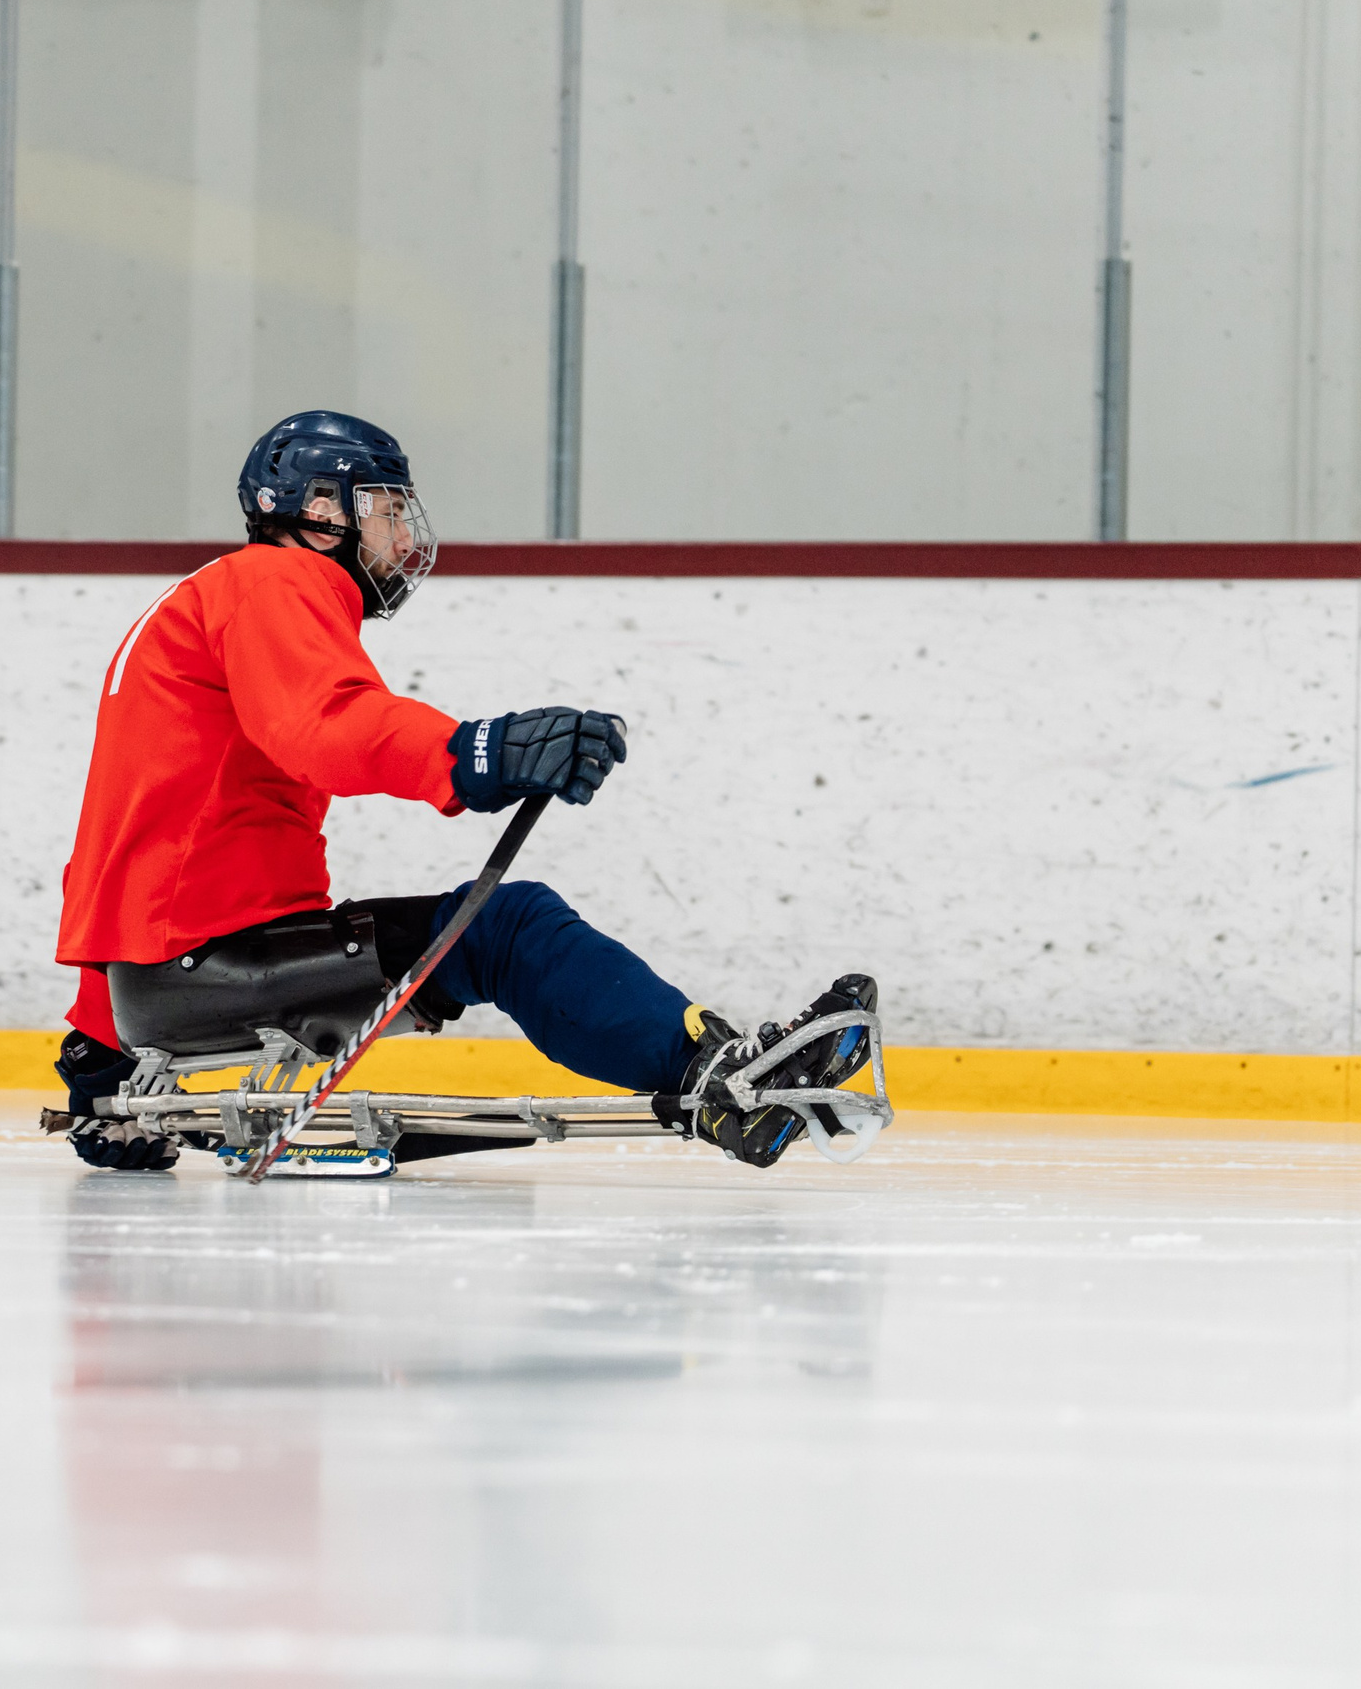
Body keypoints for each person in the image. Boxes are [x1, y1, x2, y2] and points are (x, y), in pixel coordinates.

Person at [52, 410, 873, 1171]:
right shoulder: (272, 582)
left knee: (490, 933)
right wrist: (476, 753)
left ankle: (711, 1070)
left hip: (173, 972)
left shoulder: (210, 600)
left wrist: (102, 1042)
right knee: (510, 930)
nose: (403, 530)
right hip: (216, 965)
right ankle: (719, 1079)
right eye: (384, 506)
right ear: (320, 510)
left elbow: (126, 832)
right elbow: (324, 728)